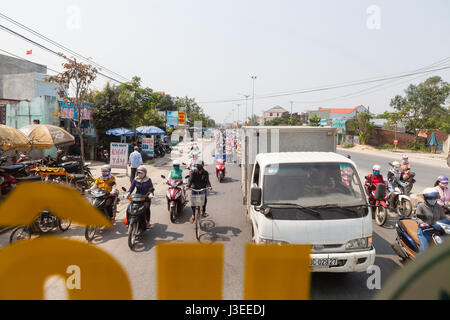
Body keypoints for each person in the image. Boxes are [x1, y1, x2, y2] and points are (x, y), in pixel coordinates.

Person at [416, 188, 447, 253]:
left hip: (437, 230)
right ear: (425, 198)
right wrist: (422, 223)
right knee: (424, 251)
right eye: (430, 198)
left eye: (435, 198)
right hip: (425, 231)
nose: (433, 200)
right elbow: (418, 218)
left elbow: (444, 217)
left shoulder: (438, 206)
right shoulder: (420, 206)